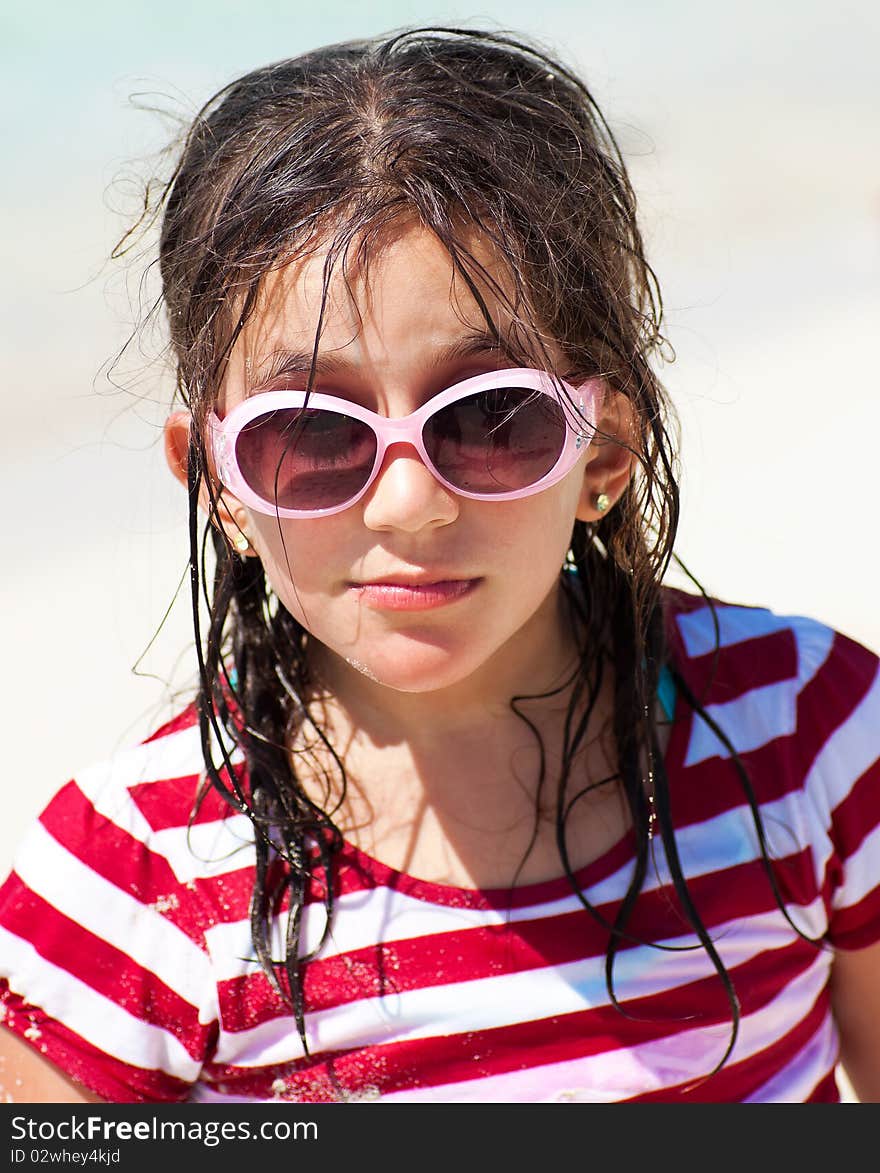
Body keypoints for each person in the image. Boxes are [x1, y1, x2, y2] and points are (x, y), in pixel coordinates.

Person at [1, 26, 878, 1105]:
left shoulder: (811, 738)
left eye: (490, 416)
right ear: (218, 483)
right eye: (314, 433)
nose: (409, 504)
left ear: (602, 448)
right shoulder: (129, 885)